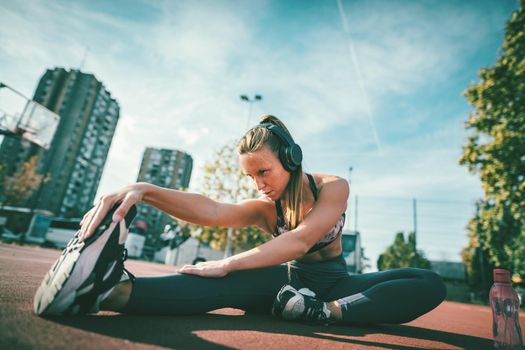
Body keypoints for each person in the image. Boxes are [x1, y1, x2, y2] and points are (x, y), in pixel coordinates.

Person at [34, 115, 447, 325]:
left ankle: (324, 313)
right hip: (285, 284)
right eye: (250, 176)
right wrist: (145, 189)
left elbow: (303, 239)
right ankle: (104, 292)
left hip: (336, 286)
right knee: (223, 281)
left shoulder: (333, 187)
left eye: (263, 172)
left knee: (428, 282)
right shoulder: (266, 207)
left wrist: (230, 260)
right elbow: (212, 211)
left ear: (291, 158)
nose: (259, 185)